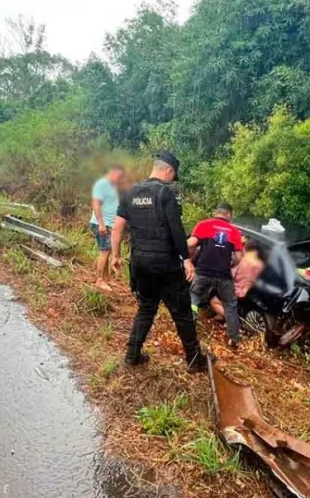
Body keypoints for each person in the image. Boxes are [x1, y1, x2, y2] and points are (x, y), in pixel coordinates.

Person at [110, 151, 209, 372]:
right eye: (173, 176)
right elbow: (176, 229)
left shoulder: (130, 192)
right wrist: (186, 259)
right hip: (166, 265)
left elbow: (117, 227)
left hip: (140, 264)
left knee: (146, 308)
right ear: (169, 171)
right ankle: (194, 361)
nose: (172, 181)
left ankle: (132, 355)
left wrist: (116, 256)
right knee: (182, 313)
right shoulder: (167, 194)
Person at [188, 203, 244, 348]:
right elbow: (239, 257)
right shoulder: (235, 231)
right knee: (230, 305)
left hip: (203, 272)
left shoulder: (203, 225)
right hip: (223, 275)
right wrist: (230, 265)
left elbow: (191, 244)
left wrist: (189, 258)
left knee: (194, 296)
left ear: (216, 212)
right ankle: (234, 339)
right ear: (229, 215)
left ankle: (190, 323)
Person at [89, 164, 125, 291]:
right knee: (104, 252)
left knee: (107, 251)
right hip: (102, 224)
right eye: (119, 175)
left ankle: (106, 279)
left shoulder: (112, 186)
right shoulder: (102, 184)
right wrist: (102, 223)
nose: (120, 178)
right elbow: (96, 205)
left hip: (110, 224)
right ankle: (99, 280)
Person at [209, 240, 265, 320]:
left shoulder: (242, 261)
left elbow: (231, 274)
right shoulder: (260, 264)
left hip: (234, 289)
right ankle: (221, 315)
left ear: (246, 249)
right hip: (245, 290)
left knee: (214, 302)